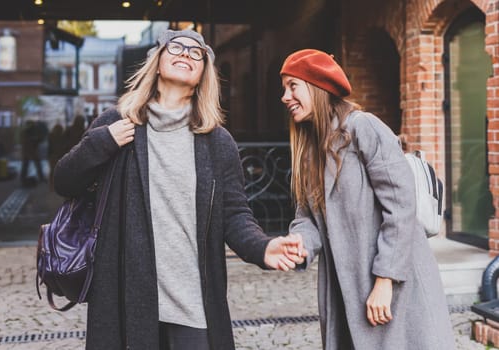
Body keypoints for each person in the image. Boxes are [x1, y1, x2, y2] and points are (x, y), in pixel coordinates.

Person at [53, 29, 306, 350]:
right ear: (157, 62)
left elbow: (235, 215)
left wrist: (262, 248)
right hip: (126, 299)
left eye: (196, 52)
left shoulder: (217, 142)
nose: (186, 53)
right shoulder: (118, 122)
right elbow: (64, 181)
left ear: (203, 75)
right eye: (176, 47)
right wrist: (103, 141)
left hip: (192, 300)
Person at [280, 49, 456, 349]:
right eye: (284, 88)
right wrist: (298, 244)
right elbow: (307, 219)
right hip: (344, 288)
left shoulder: (363, 127)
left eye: (292, 85)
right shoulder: (309, 150)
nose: (285, 96)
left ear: (318, 87)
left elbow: (400, 206)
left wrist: (385, 280)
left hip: (391, 282)